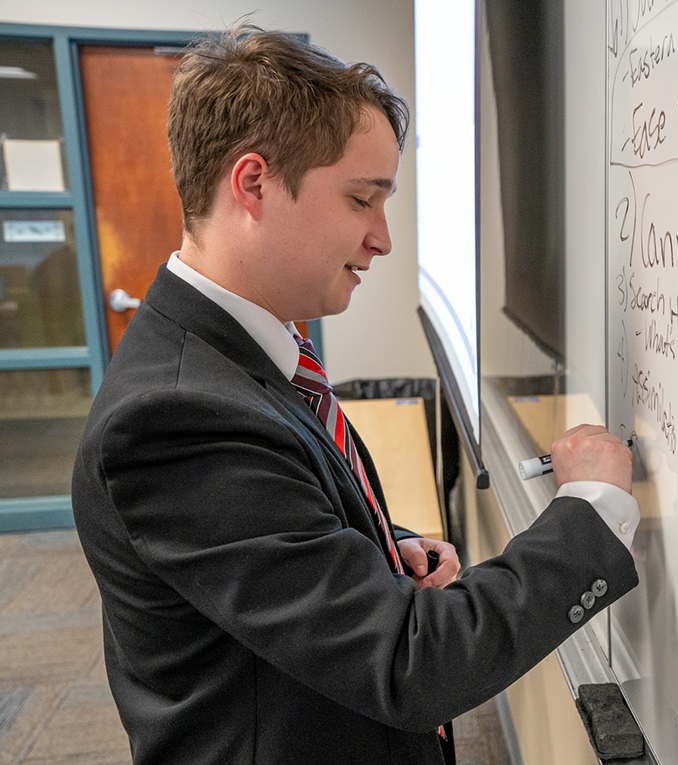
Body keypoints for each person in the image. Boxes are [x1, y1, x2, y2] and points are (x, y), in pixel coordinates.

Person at [71, 23, 639, 765]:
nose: (382, 239)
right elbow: (412, 666)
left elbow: (263, 534)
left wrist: (375, 546)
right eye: (360, 200)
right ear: (253, 183)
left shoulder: (245, 352)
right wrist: (590, 510)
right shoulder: (175, 418)